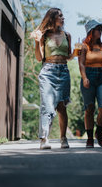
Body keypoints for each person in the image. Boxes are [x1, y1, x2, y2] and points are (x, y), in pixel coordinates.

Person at [31, 8, 75, 150]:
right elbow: (39, 58)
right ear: (53, 18)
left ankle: (63, 138)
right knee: (47, 106)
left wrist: (75, 54)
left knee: (62, 107)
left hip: (63, 71)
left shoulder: (67, 35)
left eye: (63, 16)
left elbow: (68, 56)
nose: (63, 18)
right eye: (60, 16)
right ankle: (44, 139)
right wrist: (37, 42)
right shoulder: (43, 36)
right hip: (48, 71)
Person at [78, 20, 102, 148]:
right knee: (89, 108)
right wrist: (84, 77)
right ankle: (90, 137)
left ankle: (99, 132)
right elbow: (81, 63)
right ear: (91, 31)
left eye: (101, 29)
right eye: (98, 29)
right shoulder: (84, 46)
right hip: (89, 75)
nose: (100, 31)